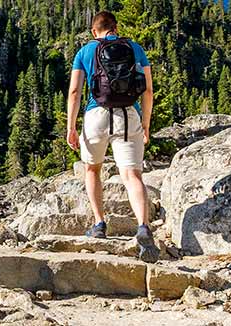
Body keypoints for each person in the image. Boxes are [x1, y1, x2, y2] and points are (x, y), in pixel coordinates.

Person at [65, 11, 159, 263]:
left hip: (96, 115)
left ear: (94, 31)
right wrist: (146, 123)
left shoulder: (85, 51)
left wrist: (71, 126)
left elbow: (75, 91)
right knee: (132, 175)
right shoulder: (134, 47)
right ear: (115, 28)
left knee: (92, 170)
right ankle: (143, 227)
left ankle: (99, 224)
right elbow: (148, 90)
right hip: (128, 116)